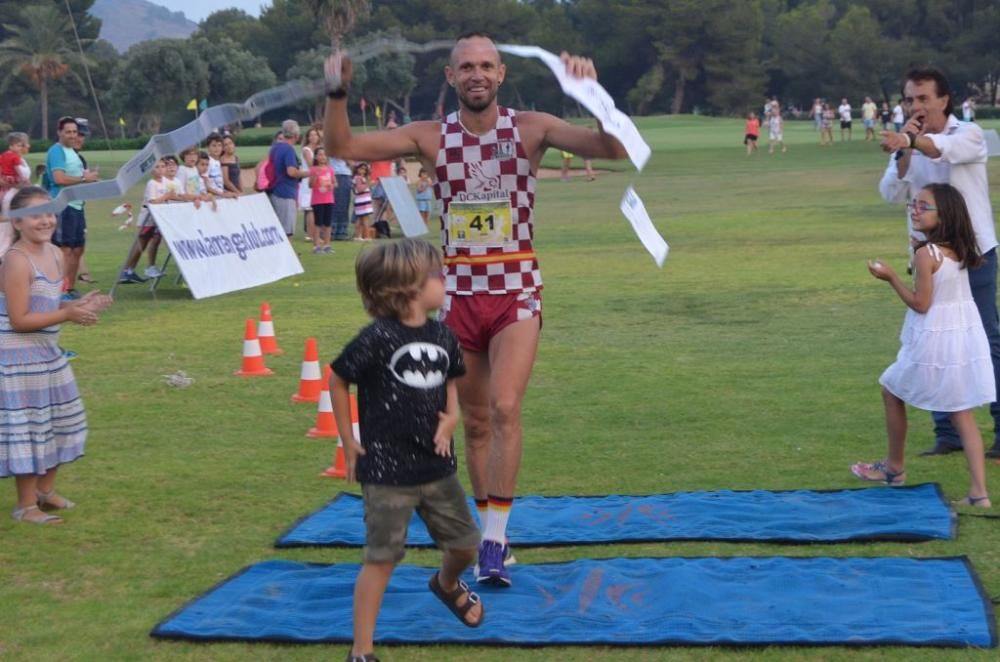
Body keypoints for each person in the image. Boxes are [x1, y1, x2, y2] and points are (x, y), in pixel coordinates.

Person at [323, 32, 628, 586]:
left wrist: (592, 94)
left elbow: (613, 149)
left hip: (517, 290)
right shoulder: (430, 137)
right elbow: (344, 149)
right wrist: (337, 94)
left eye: (487, 65)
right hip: (458, 296)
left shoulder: (532, 128)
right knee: (479, 421)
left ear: (502, 74)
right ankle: (490, 526)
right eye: (466, 67)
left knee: (507, 407)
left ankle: (494, 540)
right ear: (451, 76)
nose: (477, 74)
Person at [329, 238, 483, 661]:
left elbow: (450, 378)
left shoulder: (442, 334)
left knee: (466, 546)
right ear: (409, 288)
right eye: (436, 275)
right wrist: (348, 437)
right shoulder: (376, 338)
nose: (444, 280)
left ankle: (447, 584)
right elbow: (339, 378)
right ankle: (361, 653)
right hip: (386, 472)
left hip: (437, 467)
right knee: (381, 558)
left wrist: (451, 418)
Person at [879, 66, 1000, 459]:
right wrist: (902, 149)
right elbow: (890, 192)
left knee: (986, 339)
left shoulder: (968, 133)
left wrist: (912, 139)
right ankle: (946, 434)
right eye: (909, 99)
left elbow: (942, 150)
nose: (915, 105)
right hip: (928, 258)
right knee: (933, 342)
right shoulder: (909, 143)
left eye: (923, 98)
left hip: (972, 253)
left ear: (944, 100)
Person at [853, 184, 992, 507]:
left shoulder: (925, 254)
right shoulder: (958, 249)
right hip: (961, 340)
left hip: (934, 341)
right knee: (962, 413)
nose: (914, 210)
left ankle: (895, 469)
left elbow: (921, 303)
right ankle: (979, 493)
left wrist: (891, 277)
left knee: (891, 389)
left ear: (943, 215)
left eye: (923, 207)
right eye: (914, 205)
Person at [0, 186, 112, 524]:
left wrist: (77, 305)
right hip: (17, 360)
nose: (46, 220)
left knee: (64, 422)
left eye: (50, 212)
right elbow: (20, 320)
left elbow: (48, 305)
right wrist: (67, 315)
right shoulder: (16, 260)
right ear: (16, 222)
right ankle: (25, 505)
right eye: (36, 214)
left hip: (47, 354)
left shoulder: (57, 254)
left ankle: (46, 491)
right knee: (30, 431)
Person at [45, 117, 98, 301]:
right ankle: (59, 291)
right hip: (63, 205)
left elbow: (78, 177)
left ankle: (70, 288)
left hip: (77, 205)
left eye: (75, 132)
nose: (72, 135)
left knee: (77, 249)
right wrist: (84, 179)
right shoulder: (57, 151)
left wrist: (88, 179)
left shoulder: (73, 152)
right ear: (59, 132)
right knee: (64, 249)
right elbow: (59, 178)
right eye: (68, 132)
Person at [118, 157, 174, 284]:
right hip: (147, 219)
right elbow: (152, 201)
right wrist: (166, 196)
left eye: (162, 166)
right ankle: (127, 270)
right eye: (157, 167)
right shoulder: (152, 183)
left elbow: (171, 196)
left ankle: (144, 268)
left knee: (156, 241)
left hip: (158, 219)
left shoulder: (166, 182)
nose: (160, 170)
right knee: (140, 245)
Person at [268, 120, 307, 237]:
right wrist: (310, 173)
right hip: (286, 192)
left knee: (278, 229)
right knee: (286, 232)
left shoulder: (275, 148)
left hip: (275, 191)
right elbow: (291, 172)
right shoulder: (288, 149)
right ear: (296, 135)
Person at [309, 147, 335, 254]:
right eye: (320, 154)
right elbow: (310, 185)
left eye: (324, 154)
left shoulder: (330, 169)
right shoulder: (313, 169)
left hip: (329, 199)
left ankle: (327, 245)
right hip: (318, 200)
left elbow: (335, 183)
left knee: (328, 223)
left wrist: (331, 185)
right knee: (318, 223)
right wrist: (316, 175)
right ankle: (316, 246)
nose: (322, 157)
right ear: (316, 157)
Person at [299, 127, 322, 242]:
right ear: (308, 137)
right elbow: (311, 164)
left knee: (315, 207)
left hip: (318, 179)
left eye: (315, 135)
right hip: (308, 179)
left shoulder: (319, 149)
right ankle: (311, 234)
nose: (313, 137)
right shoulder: (306, 150)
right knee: (310, 208)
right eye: (311, 135)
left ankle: (315, 234)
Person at [330, 153, 353, 241]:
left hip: (346, 174)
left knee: (344, 204)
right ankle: (334, 231)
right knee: (337, 204)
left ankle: (342, 231)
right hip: (337, 173)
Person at [352, 163, 373, 241]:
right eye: (361, 168)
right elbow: (359, 189)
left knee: (361, 219)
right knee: (364, 219)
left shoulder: (363, 178)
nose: (363, 170)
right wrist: (368, 184)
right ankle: (366, 236)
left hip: (365, 200)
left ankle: (358, 236)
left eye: (364, 169)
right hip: (362, 201)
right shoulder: (358, 178)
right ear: (357, 169)